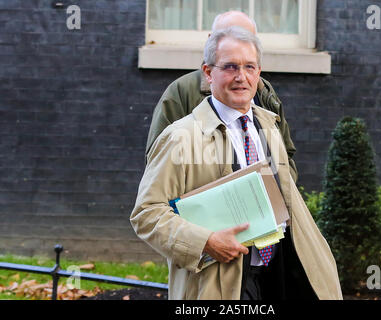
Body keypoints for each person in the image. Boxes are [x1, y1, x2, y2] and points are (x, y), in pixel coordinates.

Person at [130, 26, 342, 300]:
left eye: (249, 67)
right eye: (230, 67)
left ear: (259, 72)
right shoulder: (180, 137)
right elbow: (146, 214)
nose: (241, 77)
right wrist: (205, 242)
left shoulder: (268, 125)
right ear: (208, 73)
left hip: (279, 273)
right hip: (223, 283)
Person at [145, 11, 299, 183]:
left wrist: (282, 191)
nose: (241, 76)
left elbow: (285, 153)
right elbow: (160, 161)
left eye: (246, 39)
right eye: (228, 36)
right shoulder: (181, 92)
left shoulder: (264, 90)